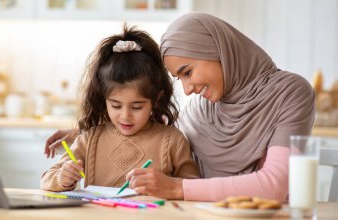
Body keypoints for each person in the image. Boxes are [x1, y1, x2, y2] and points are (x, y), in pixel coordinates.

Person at [44, 13, 315, 202]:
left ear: (218, 51)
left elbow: (274, 186)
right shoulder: (200, 109)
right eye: (179, 78)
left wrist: (177, 188)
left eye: (188, 72)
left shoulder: (290, 92)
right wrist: (89, 133)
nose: (187, 89)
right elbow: (151, 131)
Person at [40, 25, 199, 191]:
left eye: (137, 107)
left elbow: (191, 187)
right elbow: (47, 180)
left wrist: (167, 185)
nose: (125, 116)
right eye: (115, 105)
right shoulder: (89, 140)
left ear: (156, 99)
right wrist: (63, 178)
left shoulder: (173, 141)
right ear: (104, 99)